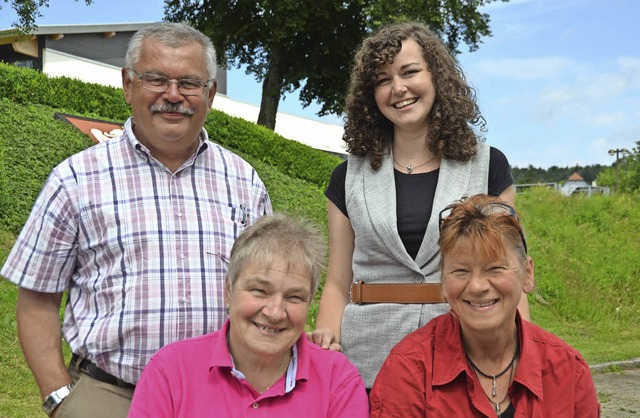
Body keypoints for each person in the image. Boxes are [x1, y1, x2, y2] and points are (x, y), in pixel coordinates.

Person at [0, 22, 272, 418]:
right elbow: (38, 299)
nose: (173, 95)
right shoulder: (75, 179)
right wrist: (60, 398)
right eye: (156, 79)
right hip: (111, 398)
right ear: (128, 85)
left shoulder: (244, 182)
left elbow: (269, 293)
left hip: (221, 397)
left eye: (190, 83)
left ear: (210, 94)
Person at [308, 21, 529, 389]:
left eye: (409, 72)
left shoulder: (488, 166)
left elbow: (509, 274)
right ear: (370, 95)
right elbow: (336, 282)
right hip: (367, 362)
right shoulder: (346, 177)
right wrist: (327, 349)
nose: (398, 88)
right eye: (382, 80)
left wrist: (525, 355)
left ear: (436, 77)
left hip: (466, 356)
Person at [369, 194, 600, 417]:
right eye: (461, 271)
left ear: (527, 274)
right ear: (443, 279)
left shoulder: (569, 371)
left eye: (494, 268)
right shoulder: (408, 371)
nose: (477, 286)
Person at [128, 213, 369, 417]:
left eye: (294, 297)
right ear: (229, 291)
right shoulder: (170, 370)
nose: (275, 312)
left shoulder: (338, 381)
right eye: (259, 291)